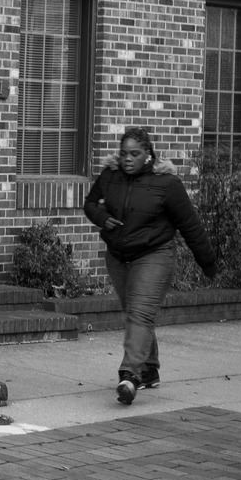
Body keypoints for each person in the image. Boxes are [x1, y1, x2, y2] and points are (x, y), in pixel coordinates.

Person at [83, 127, 219, 406]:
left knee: (140, 315)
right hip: (119, 256)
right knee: (135, 312)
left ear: (148, 154)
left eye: (135, 153)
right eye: (124, 153)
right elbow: (90, 204)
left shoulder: (166, 183)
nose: (127, 159)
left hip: (155, 255)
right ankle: (150, 368)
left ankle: (129, 376)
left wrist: (208, 263)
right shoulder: (110, 175)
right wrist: (103, 217)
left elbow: (191, 225)